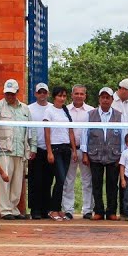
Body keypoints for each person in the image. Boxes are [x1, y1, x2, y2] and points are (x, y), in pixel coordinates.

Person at [0, 79, 35, 219]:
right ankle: (5, 210)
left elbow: (31, 129)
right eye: (7, 93)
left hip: (20, 149)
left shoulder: (25, 109)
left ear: (17, 92)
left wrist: (32, 146)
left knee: (17, 182)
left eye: (12, 93)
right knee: (5, 181)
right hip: (4, 150)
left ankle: (14, 208)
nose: (9, 96)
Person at [82, 87, 124, 220]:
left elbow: (123, 135)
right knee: (96, 184)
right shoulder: (90, 114)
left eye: (108, 97)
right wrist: (84, 153)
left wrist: (122, 154)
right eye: (103, 97)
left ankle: (111, 211)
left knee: (112, 184)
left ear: (112, 99)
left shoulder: (119, 115)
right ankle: (98, 211)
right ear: (99, 99)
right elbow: (85, 134)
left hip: (114, 154)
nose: (105, 100)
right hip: (95, 154)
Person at [43, 86, 76, 221]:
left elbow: (70, 131)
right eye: (59, 96)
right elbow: (46, 132)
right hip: (55, 149)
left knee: (63, 181)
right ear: (54, 97)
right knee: (60, 179)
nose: (62, 98)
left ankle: (58, 208)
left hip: (66, 149)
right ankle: (53, 209)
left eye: (64, 96)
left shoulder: (65, 111)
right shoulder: (49, 111)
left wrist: (73, 149)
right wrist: (49, 151)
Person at [64, 85, 95, 219]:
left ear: (85, 95)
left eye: (82, 94)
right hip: (69, 149)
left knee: (87, 181)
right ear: (72, 95)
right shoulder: (64, 110)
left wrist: (87, 152)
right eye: (76, 93)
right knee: (68, 180)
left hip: (85, 150)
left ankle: (87, 210)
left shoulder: (91, 111)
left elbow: (92, 133)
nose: (79, 96)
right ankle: (68, 210)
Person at [27, 82, 53, 220]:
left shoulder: (53, 108)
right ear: (36, 94)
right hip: (35, 149)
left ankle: (46, 208)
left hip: (50, 148)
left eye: (44, 92)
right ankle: (35, 209)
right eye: (40, 92)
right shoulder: (29, 109)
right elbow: (29, 129)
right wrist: (31, 147)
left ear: (47, 94)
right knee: (35, 180)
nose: (42, 95)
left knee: (48, 180)